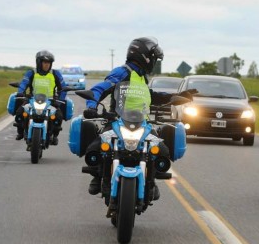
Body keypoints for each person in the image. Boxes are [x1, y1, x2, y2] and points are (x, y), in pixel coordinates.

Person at [82, 37, 194, 204]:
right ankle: (98, 176)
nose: (154, 62)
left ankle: (151, 179)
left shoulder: (142, 78)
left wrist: (175, 97)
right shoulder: (122, 72)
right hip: (117, 121)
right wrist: (92, 106)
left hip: (142, 124)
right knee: (97, 147)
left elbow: (152, 97)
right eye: (154, 58)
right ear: (145, 57)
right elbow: (101, 88)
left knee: (161, 150)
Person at [14, 50, 67, 145]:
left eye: (49, 63)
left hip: (50, 101)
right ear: (39, 62)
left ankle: (54, 136)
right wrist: (20, 93)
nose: (47, 65)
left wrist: (60, 100)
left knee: (59, 116)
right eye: (45, 62)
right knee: (19, 112)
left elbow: (63, 88)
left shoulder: (55, 74)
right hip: (32, 99)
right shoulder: (31, 73)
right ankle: (20, 132)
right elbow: (23, 84)